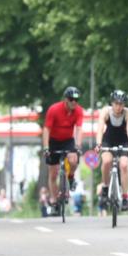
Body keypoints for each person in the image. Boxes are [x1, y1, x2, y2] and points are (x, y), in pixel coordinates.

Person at [42, 86, 83, 214]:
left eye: (76, 100)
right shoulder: (54, 109)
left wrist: (78, 146)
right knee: (53, 173)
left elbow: (79, 129)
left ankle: (71, 177)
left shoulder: (78, 111)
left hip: (67, 140)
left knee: (74, 160)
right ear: (65, 99)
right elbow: (46, 129)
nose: (74, 102)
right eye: (71, 99)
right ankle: (54, 201)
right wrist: (46, 147)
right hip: (53, 141)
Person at [96, 89, 128, 213]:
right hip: (108, 140)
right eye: (116, 103)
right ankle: (105, 187)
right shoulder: (105, 111)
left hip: (123, 141)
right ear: (112, 103)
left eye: (121, 104)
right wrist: (98, 144)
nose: (118, 107)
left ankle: (125, 197)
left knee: (124, 165)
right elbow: (100, 129)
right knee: (107, 161)